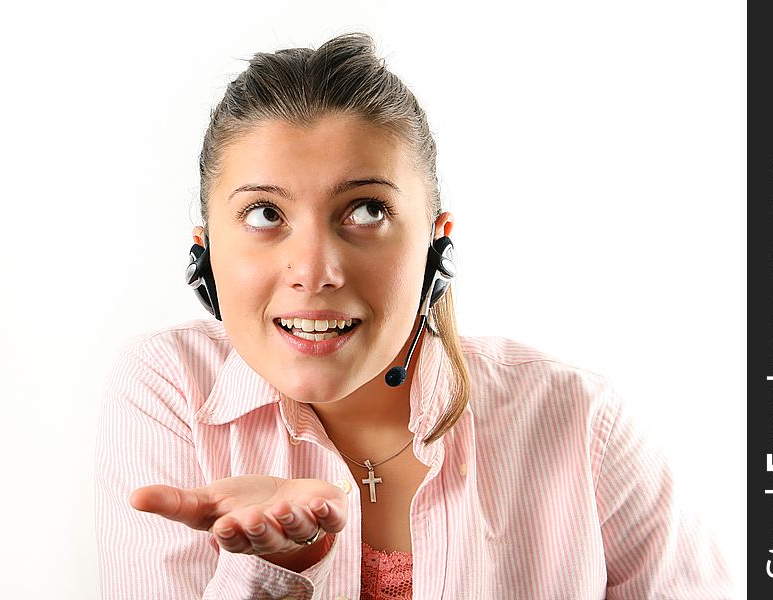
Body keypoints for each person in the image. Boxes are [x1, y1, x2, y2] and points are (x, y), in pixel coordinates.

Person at [94, 32, 733, 600]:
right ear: (204, 250)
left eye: (366, 210)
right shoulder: (167, 386)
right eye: (266, 214)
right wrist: (267, 576)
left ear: (435, 241)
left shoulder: (579, 418)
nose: (314, 271)